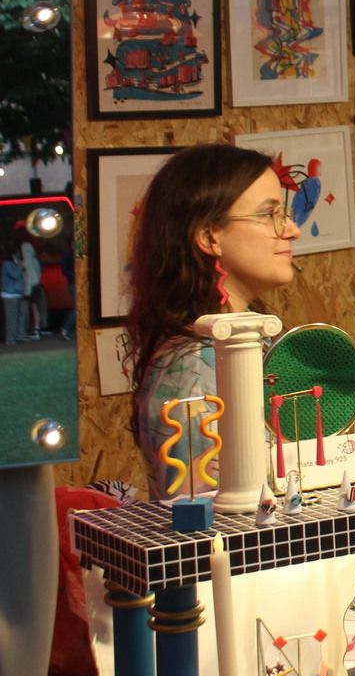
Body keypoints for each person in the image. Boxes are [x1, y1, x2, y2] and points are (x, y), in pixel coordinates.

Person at [126, 144, 300, 500]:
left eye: (284, 213)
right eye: (269, 215)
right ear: (209, 237)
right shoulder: (196, 375)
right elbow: (216, 531)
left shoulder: (237, 347)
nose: (292, 230)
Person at [2, 243, 24, 343]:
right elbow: (15, 275)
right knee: (12, 317)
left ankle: (14, 337)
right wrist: (19, 266)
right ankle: (10, 339)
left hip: (14, 293)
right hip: (10, 294)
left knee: (15, 317)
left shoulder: (9, 264)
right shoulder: (7, 264)